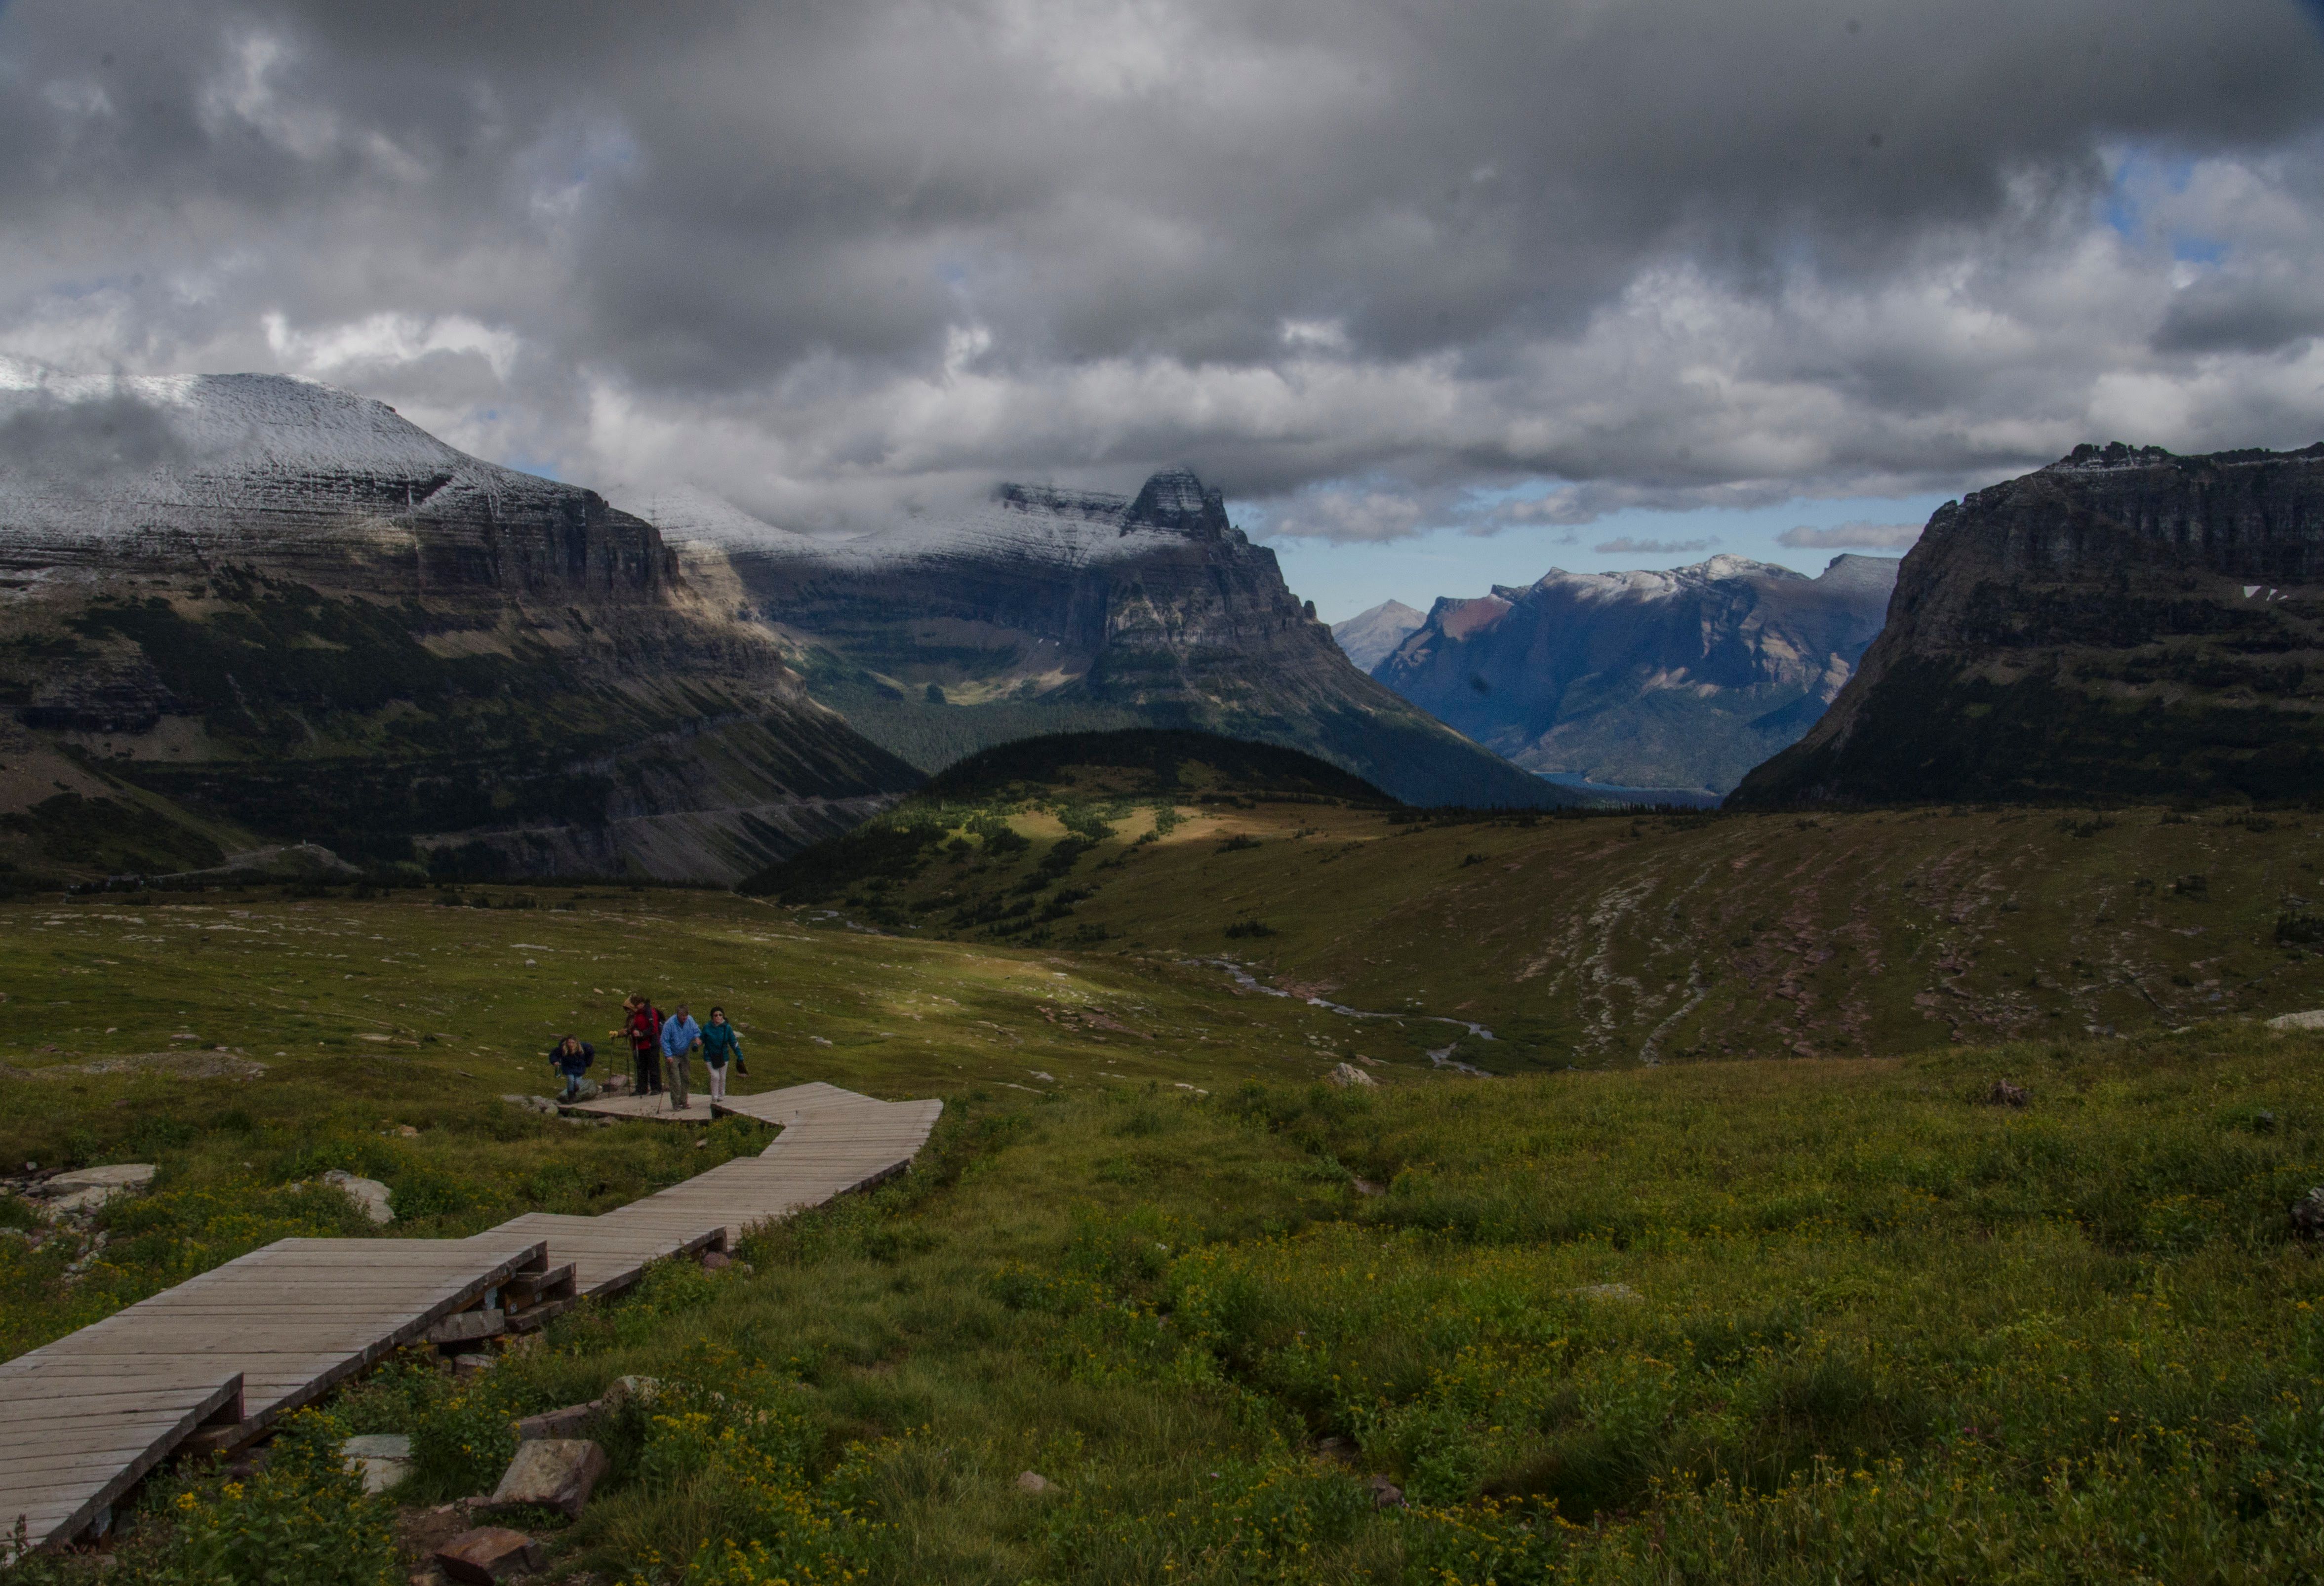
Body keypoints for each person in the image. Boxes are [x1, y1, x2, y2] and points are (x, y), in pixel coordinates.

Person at [659, 1001, 702, 1112]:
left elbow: (696, 1031)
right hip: (673, 1054)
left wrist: (697, 1038)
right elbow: (664, 1040)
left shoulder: (690, 1020)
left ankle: (684, 1101)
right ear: (678, 1015)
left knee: (686, 1077)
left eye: (686, 1015)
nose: (685, 1018)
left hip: (684, 1052)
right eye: (683, 1016)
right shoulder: (670, 1024)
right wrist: (668, 1055)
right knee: (676, 1079)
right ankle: (676, 1103)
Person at [620, 995, 664, 1097]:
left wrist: (642, 1034)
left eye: (636, 1005)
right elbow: (635, 1026)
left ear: (641, 1004)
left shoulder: (650, 1011)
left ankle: (656, 1088)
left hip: (651, 1044)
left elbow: (653, 1028)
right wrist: (629, 1031)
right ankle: (641, 1088)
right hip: (640, 1045)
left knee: (653, 1066)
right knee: (641, 1067)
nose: (635, 1007)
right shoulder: (638, 1014)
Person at [699, 1007, 743, 1104]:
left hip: (723, 1056)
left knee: (722, 1077)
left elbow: (733, 1042)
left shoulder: (727, 1028)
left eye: (720, 1015)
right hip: (710, 1056)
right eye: (716, 1015)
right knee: (715, 1077)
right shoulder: (707, 1027)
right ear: (712, 1017)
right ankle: (714, 1098)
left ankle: (721, 1096)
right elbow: (702, 1039)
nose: (718, 1017)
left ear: (723, 1016)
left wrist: (739, 1055)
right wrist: (696, 1044)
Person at [548, 1034, 596, 1102]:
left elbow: (590, 1053)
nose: (571, 1045)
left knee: (577, 1084)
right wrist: (555, 1061)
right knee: (571, 1080)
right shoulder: (563, 1048)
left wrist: (588, 1063)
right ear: (567, 1043)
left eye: (573, 1043)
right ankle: (571, 1095)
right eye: (569, 1043)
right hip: (568, 1067)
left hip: (580, 1068)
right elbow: (554, 1055)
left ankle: (575, 1093)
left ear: (576, 1043)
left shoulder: (582, 1048)